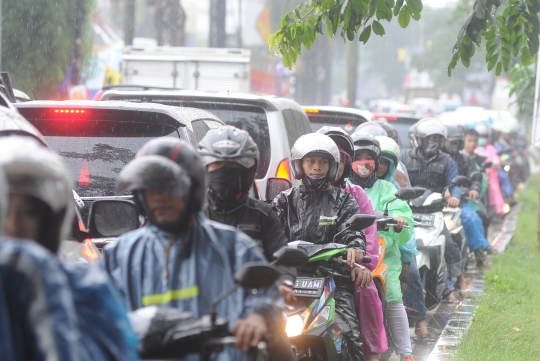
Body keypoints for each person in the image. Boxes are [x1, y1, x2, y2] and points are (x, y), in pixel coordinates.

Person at [100, 144, 280, 360]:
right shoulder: (118, 256)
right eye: (150, 189)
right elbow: (94, 315)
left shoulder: (234, 247)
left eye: (169, 188)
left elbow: (267, 295)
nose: (159, 198)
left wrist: (257, 317)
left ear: (192, 189)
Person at [0, 135, 138, 361]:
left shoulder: (87, 290)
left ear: (51, 220)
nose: (13, 224)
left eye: (29, 212)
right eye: (4, 210)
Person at [197, 126, 295, 360]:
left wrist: (284, 282)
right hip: (202, 310)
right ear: (205, 169)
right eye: (217, 166)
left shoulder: (262, 215)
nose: (224, 173)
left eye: (232, 168)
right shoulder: (194, 216)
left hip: (257, 305)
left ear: (248, 172)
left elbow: (283, 256)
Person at [272, 133, 366, 361]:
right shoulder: (284, 200)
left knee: (348, 335)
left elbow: (352, 231)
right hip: (289, 279)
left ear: (332, 166)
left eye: (323, 162)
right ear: (299, 164)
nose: (316, 167)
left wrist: (354, 246)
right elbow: (270, 235)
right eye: (311, 161)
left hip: (332, 278)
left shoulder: (344, 200)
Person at [316, 126, 387, 361]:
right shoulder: (295, 196)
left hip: (347, 268)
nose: (322, 166)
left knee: (366, 290)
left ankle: (370, 353)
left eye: (334, 160)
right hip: (306, 268)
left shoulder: (355, 195)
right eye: (321, 160)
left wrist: (361, 263)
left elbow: (366, 236)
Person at [350, 132, 416, 361]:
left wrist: (398, 223)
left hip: (384, 256)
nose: (365, 162)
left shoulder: (388, 189)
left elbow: (404, 221)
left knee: (393, 298)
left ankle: (405, 352)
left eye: (370, 157)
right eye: (359, 156)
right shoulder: (344, 188)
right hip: (348, 255)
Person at [400, 118, 469, 300]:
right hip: (408, 210)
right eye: (429, 137)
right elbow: (395, 179)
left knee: (448, 243)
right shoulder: (405, 157)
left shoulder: (447, 161)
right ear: (420, 139)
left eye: (437, 138)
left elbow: (454, 183)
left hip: (434, 211)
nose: (433, 141)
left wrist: (454, 197)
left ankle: (459, 279)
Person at [443, 125, 495, 267]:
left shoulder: (464, 159)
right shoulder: (437, 159)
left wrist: (474, 188)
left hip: (459, 201)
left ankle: (480, 252)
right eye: (450, 142)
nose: (453, 145)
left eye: (456, 142)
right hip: (432, 204)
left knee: (472, 219)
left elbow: (475, 178)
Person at [473, 124, 506, 217]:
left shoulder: (491, 149)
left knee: (494, 187)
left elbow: (496, 160)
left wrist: (495, 163)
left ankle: (498, 208)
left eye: (483, 137)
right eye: (480, 137)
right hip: (475, 174)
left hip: (490, 174)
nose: (481, 139)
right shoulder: (474, 148)